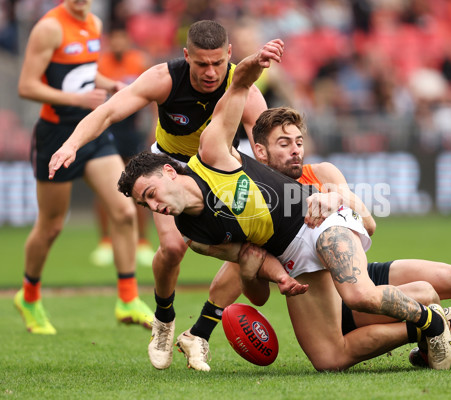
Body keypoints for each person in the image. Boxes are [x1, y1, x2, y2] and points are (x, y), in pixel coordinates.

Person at [113, 39, 451, 371]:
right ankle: (433, 322)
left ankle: (435, 322)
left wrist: (251, 65)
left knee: (358, 296)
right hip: (292, 256)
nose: (153, 205)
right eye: (145, 203)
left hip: (316, 222)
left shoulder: (213, 155)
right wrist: (280, 278)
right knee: (329, 360)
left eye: (151, 193)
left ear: (170, 172)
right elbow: (249, 262)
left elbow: (234, 94)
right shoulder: (195, 234)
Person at [176, 106, 451, 371]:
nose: (295, 151)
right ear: (259, 152)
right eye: (283, 145)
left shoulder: (321, 172)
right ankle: (433, 329)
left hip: (355, 273)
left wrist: (336, 197)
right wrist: (250, 271)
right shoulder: (251, 200)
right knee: (329, 360)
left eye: (299, 142)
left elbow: (369, 225)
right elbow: (258, 295)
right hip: (316, 295)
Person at [48, 20, 269, 367]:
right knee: (171, 248)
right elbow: (107, 112)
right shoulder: (164, 78)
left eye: (217, 63)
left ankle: (199, 333)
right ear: (186, 56)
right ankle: (164, 319)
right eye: (201, 64)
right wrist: (71, 144)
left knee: (249, 250)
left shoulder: (244, 87)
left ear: (229, 54)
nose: (211, 72)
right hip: (171, 168)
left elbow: (266, 138)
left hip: (222, 173)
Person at [14, 0, 152, 335]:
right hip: (56, 135)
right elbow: (27, 86)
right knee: (51, 226)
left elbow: (85, 72)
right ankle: (29, 296)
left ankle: (128, 298)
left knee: (124, 210)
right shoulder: (49, 27)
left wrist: (109, 84)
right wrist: (78, 99)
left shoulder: (94, 23)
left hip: (91, 129)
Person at [90, 26, 155, 268]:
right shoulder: (101, 65)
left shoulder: (138, 61)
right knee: (104, 186)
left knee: (139, 182)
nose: (118, 44)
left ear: (127, 41)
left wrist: (155, 124)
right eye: (113, 39)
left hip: (131, 130)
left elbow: (152, 96)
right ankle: (105, 241)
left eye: (121, 39)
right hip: (108, 129)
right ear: (110, 41)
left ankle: (143, 243)